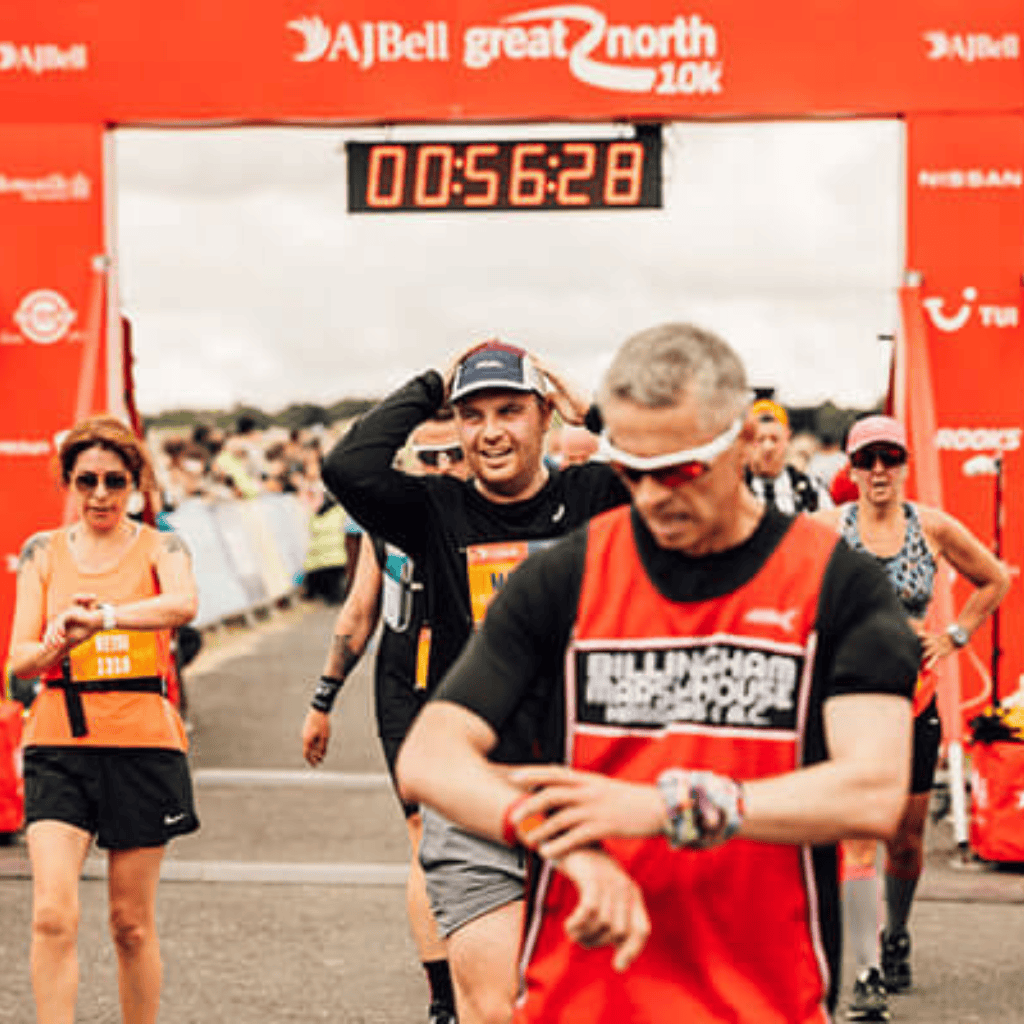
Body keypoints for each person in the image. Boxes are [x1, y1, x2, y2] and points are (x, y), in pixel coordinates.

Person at [397, 323, 921, 1024]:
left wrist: (665, 810)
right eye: (632, 472)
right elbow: (430, 756)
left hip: (756, 990)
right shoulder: (569, 573)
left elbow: (873, 793)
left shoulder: (835, 582)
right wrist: (550, 830)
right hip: (586, 991)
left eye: (679, 469)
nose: (653, 496)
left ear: (739, 442)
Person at [322, 339, 628, 1024]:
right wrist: (432, 383)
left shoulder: (596, 496)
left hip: (589, 791)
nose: (491, 431)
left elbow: (685, 475)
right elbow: (348, 465)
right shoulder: (435, 510)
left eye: (511, 411)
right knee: (494, 1011)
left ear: (546, 416)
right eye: (473, 414)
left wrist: (592, 409)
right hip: (474, 797)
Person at [6, 414, 200, 1024]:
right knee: (51, 913)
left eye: (115, 481)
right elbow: (19, 659)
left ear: (135, 483)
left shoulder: (161, 546)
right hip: (59, 742)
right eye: (86, 479)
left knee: (131, 925)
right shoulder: (43, 551)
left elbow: (183, 603)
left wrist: (107, 617)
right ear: (68, 480)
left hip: (143, 742)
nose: (100, 494)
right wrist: (60, 641)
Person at [814, 414, 1009, 1018]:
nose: (878, 470)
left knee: (905, 841)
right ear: (851, 466)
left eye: (889, 458)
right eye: (866, 459)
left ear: (903, 464)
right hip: (847, 703)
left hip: (914, 699)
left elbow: (994, 578)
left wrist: (954, 634)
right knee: (858, 840)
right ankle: (866, 974)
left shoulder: (933, 527)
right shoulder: (823, 529)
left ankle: (895, 936)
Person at [301, 413, 470, 1024]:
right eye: (430, 458)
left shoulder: (490, 515)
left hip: (480, 689)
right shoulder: (386, 520)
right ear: (407, 464)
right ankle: (443, 998)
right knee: (427, 840)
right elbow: (357, 614)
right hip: (405, 690)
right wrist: (324, 698)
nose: (445, 467)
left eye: (456, 454)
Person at [746, 398, 833, 513]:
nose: (768, 447)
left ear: (787, 438)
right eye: (760, 439)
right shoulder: (732, 489)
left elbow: (830, 526)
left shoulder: (810, 488)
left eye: (774, 439)